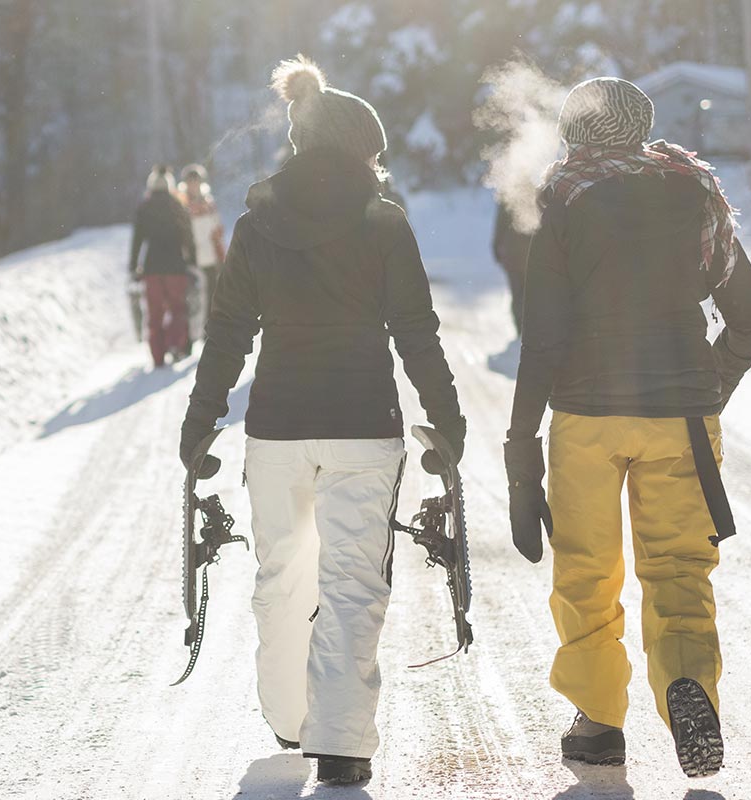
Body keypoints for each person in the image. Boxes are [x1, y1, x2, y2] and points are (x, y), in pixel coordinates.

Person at [179, 56, 464, 786]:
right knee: (351, 582)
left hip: (276, 427)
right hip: (365, 426)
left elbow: (229, 330)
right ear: (360, 150)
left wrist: (201, 419)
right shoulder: (384, 222)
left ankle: (288, 718)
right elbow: (416, 330)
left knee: (281, 575)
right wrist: (447, 417)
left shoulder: (257, 223)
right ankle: (339, 742)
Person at [503, 77, 751, 777]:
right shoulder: (696, 191)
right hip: (681, 413)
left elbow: (545, 336)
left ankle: (597, 722)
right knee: (680, 566)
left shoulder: (565, 196)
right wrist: (712, 389)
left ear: (576, 131)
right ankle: (688, 682)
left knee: (587, 568)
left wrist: (520, 443)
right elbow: (747, 319)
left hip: (587, 416)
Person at [130, 164, 196, 367]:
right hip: (176, 267)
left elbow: (137, 240)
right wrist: (192, 261)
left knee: (154, 313)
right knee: (178, 308)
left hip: (151, 268)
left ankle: (157, 356)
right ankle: (175, 344)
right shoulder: (177, 205)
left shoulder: (144, 208)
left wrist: (133, 266)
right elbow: (188, 236)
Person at [180, 164, 227, 335]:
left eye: (196, 181)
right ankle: (193, 334)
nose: (194, 185)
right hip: (192, 258)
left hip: (211, 256)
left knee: (212, 295)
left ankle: (210, 330)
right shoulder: (182, 205)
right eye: (190, 182)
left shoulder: (209, 202)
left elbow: (218, 227)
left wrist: (216, 240)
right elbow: (183, 232)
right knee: (194, 298)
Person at [492, 201, 532, 334]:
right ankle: (528, 326)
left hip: (512, 253)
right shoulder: (535, 192)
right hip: (529, 253)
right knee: (530, 292)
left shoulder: (507, 196)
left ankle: (520, 327)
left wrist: (496, 248)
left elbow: (500, 225)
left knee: (517, 293)